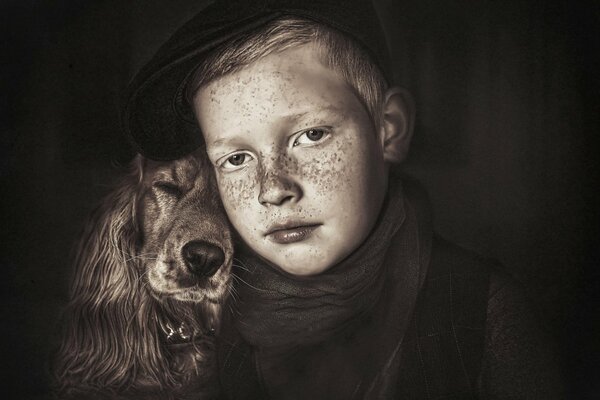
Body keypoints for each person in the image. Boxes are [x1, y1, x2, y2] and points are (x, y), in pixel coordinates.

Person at [122, 0, 563, 398]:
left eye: (310, 135)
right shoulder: (200, 318)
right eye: (236, 158)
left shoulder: (481, 310)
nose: (272, 188)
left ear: (388, 129)